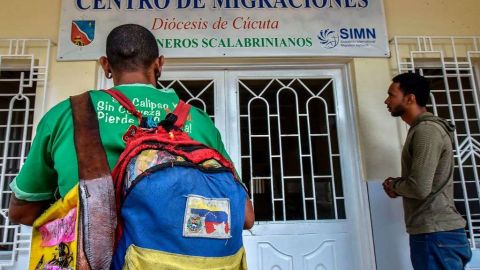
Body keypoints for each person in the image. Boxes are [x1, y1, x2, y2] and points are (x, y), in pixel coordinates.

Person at [8, 24, 254, 228]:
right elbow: (245, 216)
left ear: (105, 65)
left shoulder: (66, 115)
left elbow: (22, 213)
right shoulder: (197, 120)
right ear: (159, 64)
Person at [383, 72, 471, 270]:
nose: (386, 100)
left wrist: (395, 186)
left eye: (391, 94)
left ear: (410, 98)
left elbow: (420, 187)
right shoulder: (421, 129)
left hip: (435, 234)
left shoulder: (426, 131)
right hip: (437, 235)